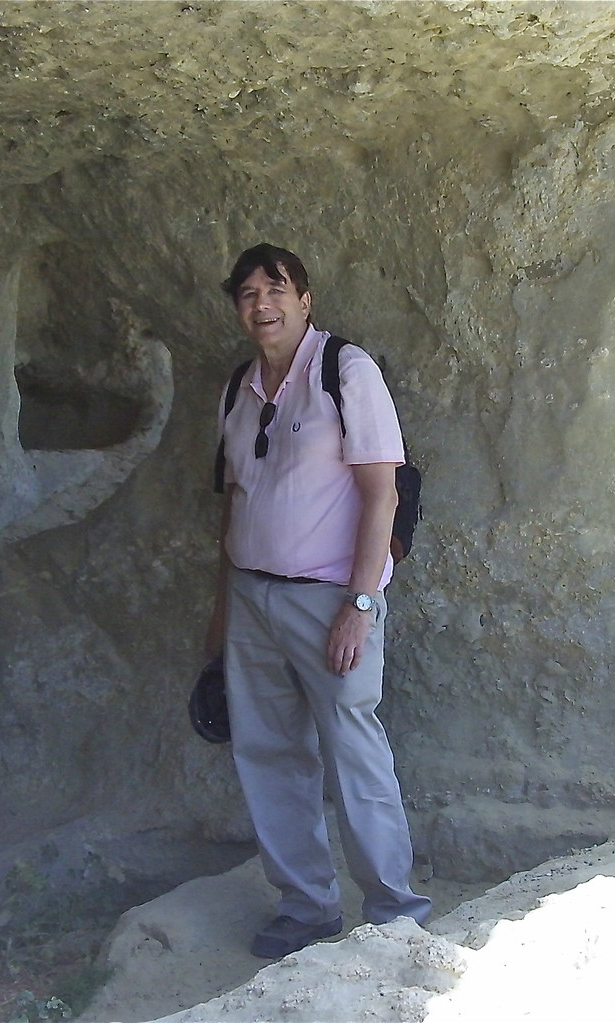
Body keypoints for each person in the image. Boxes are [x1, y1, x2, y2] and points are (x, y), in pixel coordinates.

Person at [204, 243, 431, 959]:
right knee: (270, 754)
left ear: (305, 300)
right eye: (246, 293)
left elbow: (381, 492)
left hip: (330, 596)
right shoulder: (238, 387)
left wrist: (360, 605)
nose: (261, 304)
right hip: (251, 596)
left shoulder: (345, 370)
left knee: (353, 747)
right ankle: (306, 906)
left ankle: (395, 910)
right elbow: (233, 506)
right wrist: (220, 621)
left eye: (276, 289)